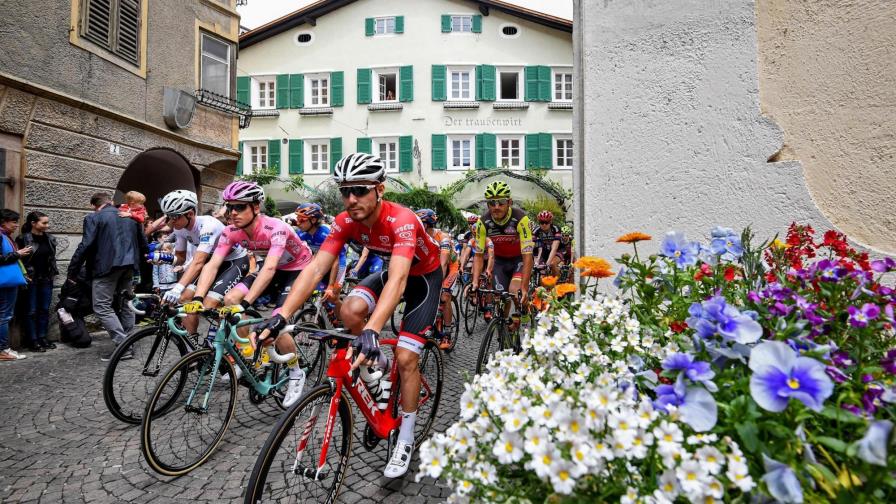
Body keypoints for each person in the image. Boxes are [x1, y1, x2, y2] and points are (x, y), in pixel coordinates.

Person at [253, 153, 443, 478]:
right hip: (393, 275)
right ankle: (375, 373)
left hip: (422, 279)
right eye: (345, 191)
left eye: (360, 190)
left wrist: (373, 329)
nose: (351, 199)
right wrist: (282, 314)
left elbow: (398, 279)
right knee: (349, 311)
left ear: (379, 189)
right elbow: (315, 269)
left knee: (407, 357)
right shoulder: (344, 221)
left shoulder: (403, 220)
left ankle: (406, 436)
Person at [191, 181, 312, 405]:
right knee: (229, 299)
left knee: (279, 320)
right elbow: (212, 264)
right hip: (273, 268)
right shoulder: (231, 232)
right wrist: (199, 297)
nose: (233, 213)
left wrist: (246, 303)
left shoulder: (275, 227)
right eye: (229, 207)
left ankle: (296, 371)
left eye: (240, 207)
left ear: (256, 207)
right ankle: (247, 355)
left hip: (297, 269)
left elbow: (269, 268)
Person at [156, 189, 251, 338]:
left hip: (234, 260)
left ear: (190, 214)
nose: (171, 221)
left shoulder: (208, 225)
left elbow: (198, 262)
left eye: (174, 217)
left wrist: (176, 288)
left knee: (209, 304)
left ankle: (244, 342)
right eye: (168, 217)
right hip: (211, 260)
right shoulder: (180, 228)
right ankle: (193, 346)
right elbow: (180, 257)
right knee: (185, 298)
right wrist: (164, 258)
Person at [68, 192, 148, 360]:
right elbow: (143, 244)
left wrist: (73, 271)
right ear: (111, 202)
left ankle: (123, 346)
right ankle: (128, 344)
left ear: (93, 206)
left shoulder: (93, 217)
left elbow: (86, 245)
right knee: (127, 304)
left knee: (102, 306)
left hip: (106, 267)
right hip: (129, 266)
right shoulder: (130, 217)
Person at [471, 181, 534, 319]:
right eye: (492, 203)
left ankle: (523, 317)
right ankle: (502, 331)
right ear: (488, 205)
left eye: (501, 202)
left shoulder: (521, 219)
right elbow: (479, 255)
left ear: (509, 202)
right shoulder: (483, 222)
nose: (496, 207)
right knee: (500, 296)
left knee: (514, 292)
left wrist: (524, 287)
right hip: (499, 262)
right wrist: (475, 282)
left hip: (519, 260)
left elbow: (528, 255)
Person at [415, 208, 458, 350]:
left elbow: (444, 264)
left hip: (449, 268)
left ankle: (447, 333)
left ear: (425, 224)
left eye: (418, 223)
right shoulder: (419, 237)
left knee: (444, 296)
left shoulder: (443, 238)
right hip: (431, 267)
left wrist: (437, 284)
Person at [16, 211, 58, 352]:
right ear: (33, 223)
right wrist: (24, 274)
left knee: (44, 310)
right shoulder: (23, 239)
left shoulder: (50, 239)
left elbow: (51, 259)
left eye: (47, 222)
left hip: (46, 279)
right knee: (31, 311)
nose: (47, 225)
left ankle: (42, 337)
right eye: (44, 223)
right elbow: (19, 260)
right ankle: (32, 340)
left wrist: (52, 273)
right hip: (31, 279)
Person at [295, 202, 347, 312]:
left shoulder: (326, 233)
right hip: (321, 263)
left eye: (301, 220)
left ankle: (344, 320)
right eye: (297, 219)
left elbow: (335, 262)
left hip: (337, 263)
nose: (298, 223)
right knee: (314, 292)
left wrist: (330, 286)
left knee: (332, 297)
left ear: (313, 220)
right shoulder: (301, 234)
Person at [0, 209, 31, 361]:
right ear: (3, 221)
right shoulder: (1, 236)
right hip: (4, 283)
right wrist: (18, 254)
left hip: (8, 281)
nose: (17, 225)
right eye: (14, 222)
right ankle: (3, 351)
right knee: (4, 316)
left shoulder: (5, 236)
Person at [533, 210, 562, 277]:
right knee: (540, 271)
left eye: (546, 222)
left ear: (550, 222)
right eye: (541, 222)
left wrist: (547, 263)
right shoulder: (536, 230)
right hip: (544, 251)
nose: (544, 225)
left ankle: (556, 283)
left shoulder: (555, 229)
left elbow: (554, 248)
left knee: (552, 264)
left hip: (558, 250)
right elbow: (531, 246)